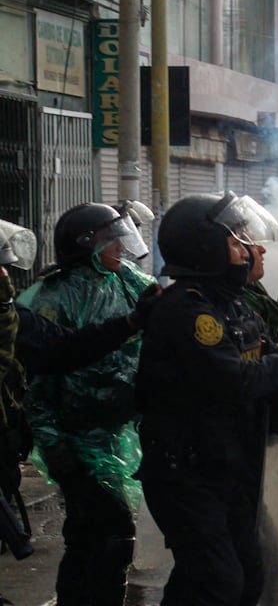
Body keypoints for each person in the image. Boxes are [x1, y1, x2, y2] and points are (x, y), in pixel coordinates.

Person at [134, 191, 278, 606]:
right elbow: (234, 379)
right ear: (206, 250)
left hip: (225, 467)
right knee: (219, 582)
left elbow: (262, 355)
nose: (249, 253)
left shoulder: (232, 306)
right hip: (187, 475)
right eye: (236, 244)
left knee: (244, 576)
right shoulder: (188, 311)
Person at [0, 218, 160, 604]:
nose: (121, 248)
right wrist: (53, 441)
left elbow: (74, 346)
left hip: (112, 433)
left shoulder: (124, 280)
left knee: (87, 534)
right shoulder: (49, 298)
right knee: (112, 532)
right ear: (86, 244)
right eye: (111, 241)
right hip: (74, 437)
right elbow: (38, 377)